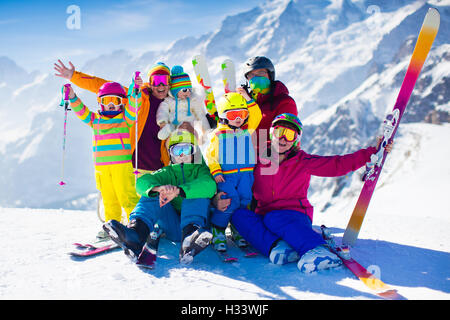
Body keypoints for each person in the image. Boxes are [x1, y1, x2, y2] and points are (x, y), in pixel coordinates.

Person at [229, 113, 394, 273]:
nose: (283, 138)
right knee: (239, 215)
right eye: (279, 132)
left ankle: (317, 249)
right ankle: (279, 247)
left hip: (295, 215)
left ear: (296, 140)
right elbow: (235, 173)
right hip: (266, 217)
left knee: (274, 217)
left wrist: (372, 152)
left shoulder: (302, 161)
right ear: (272, 133)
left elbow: (337, 165)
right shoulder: (258, 159)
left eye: (290, 134)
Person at [103, 130, 217, 265]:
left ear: (194, 152)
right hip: (173, 227)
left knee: (197, 192)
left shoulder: (201, 171)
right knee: (153, 193)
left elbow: (210, 186)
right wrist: (158, 189)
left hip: (198, 229)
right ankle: (136, 234)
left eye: (186, 149)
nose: (181, 154)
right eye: (176, 150)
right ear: (170, 154)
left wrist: (179, 191)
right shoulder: (167, 172)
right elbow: (141, 182)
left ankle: (190, 238)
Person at [213, 56, 298, 212]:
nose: (255, 78)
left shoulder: (284, 102)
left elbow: (287, 135)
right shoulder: (245, 102)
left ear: (270, 76)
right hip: (245, 160)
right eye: (251, 76)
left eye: (261, 73)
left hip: (271, 159)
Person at [54, 60, 171, 173]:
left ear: (169, 83)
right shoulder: (137, 97)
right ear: (150, 83)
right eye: (156, 80)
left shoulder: (174, 105)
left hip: (160, 169)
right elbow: (102, 86)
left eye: (164, 80)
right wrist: (74, 76)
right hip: (133, 168)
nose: (160, 85)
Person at [63, 82, 140, 236]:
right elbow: (82, 112)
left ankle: (137, 226)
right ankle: (113, 226)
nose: (111, 104)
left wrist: (135, 92)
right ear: (100, 103)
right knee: (109, 198)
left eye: (115, 100)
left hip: (121, 166)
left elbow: (133, 107)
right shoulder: (96, 120)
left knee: (127, 195)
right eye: (106, 101)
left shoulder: (125, 119)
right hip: (102, 168)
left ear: (121, 103)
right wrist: (72, 96)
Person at [206, 90, 262, 252]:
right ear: (223, 116)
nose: (238, 119)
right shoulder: (219, 135)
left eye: (242, 114)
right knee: (228, 202)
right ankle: (218, 229)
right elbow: (210, 156)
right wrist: (216, 172)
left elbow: (257, 115)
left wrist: (247, 98)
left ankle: (239, 229)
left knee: (245, 201)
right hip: (227, 177)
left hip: (246, 175)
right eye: (233, 115)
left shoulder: (247, 131)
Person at [156, 65, 211, 143]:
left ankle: (196, 144)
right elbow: (162, 111)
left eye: (189, 89)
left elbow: (200, 116)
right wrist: (162, 122)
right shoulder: (168, 101)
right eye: (185, 90)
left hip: (190, 127)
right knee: (171, 134)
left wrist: (207, 131)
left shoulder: (192, 100)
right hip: (174, 127)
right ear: (175, 91)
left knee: (193, 136)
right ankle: (167, 131)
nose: (188, 92)